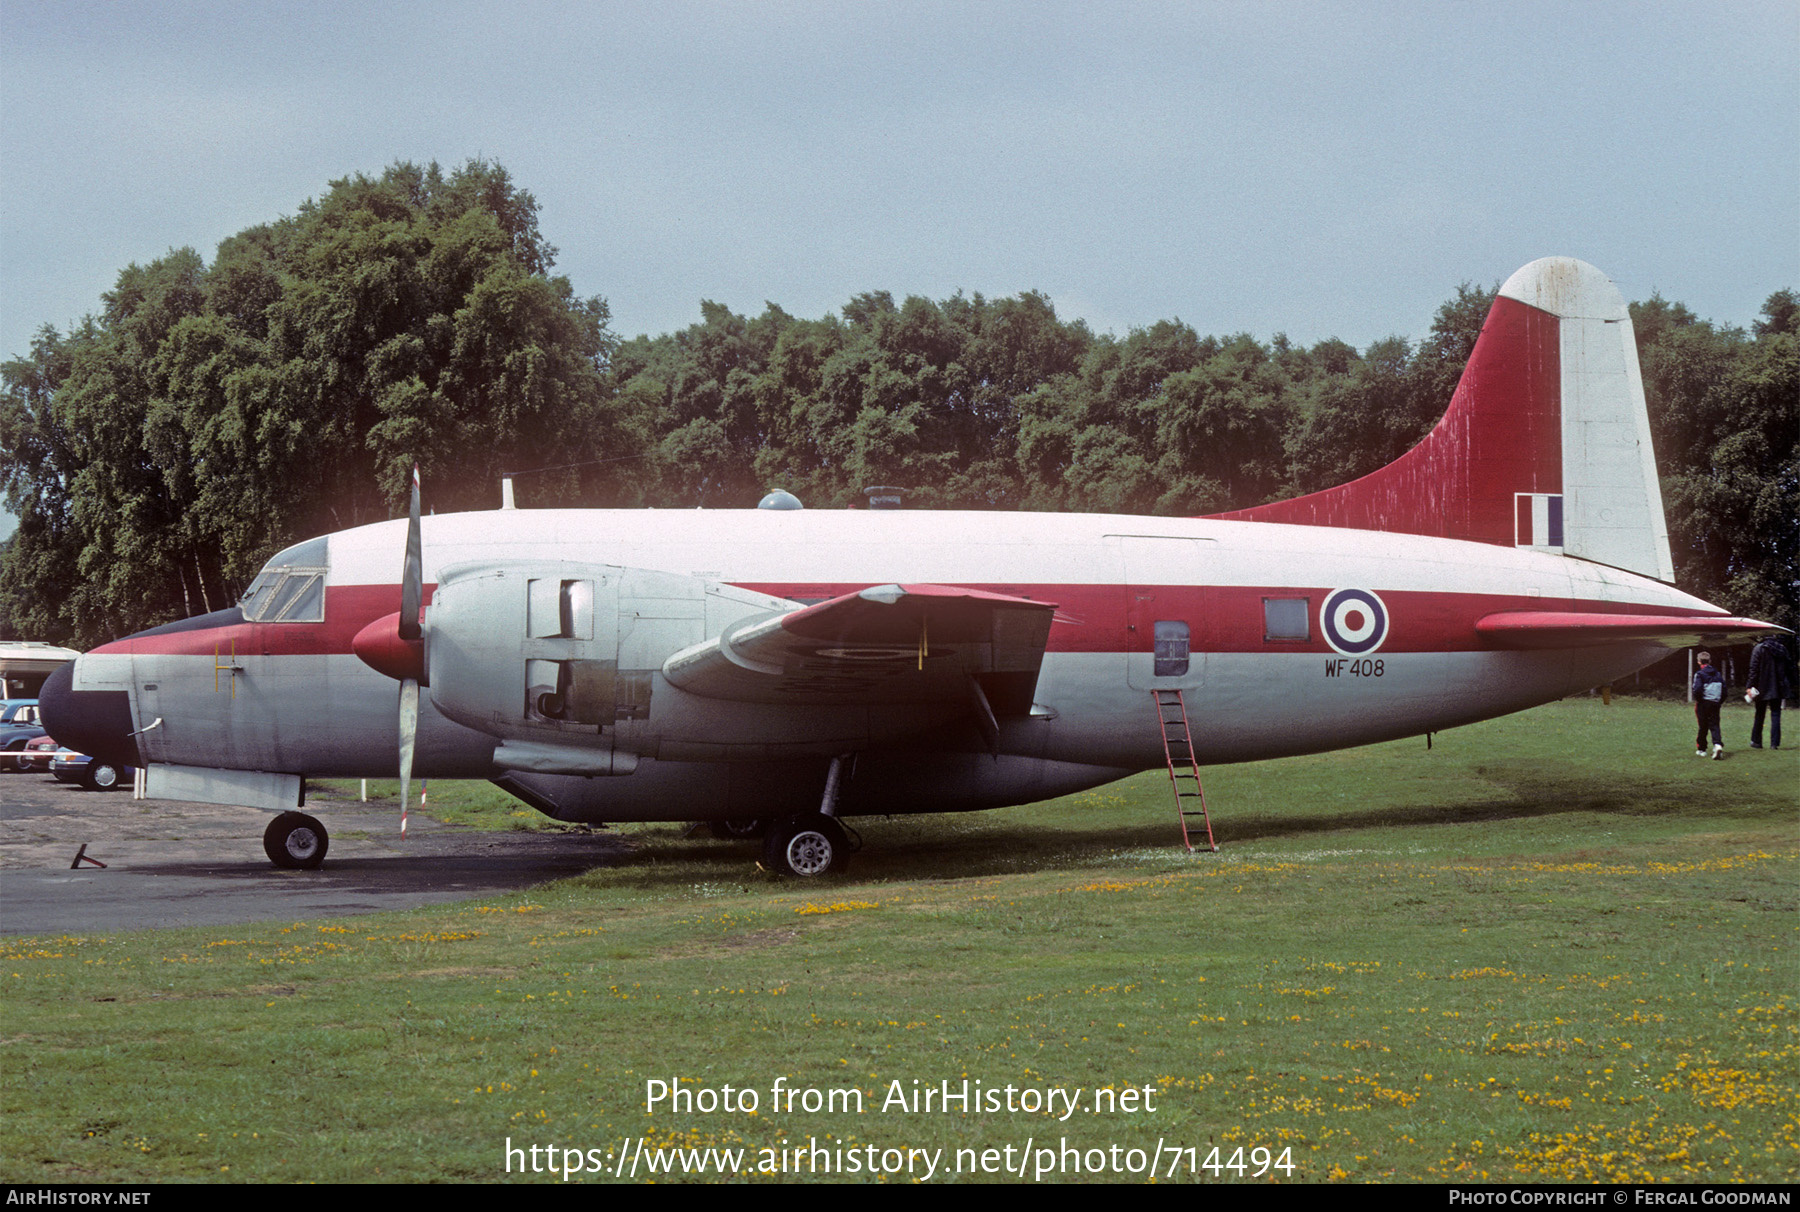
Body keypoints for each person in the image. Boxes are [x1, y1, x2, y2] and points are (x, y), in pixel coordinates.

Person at [1746, 634, 1795, 750]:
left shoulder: (1758, 648)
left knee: (1759, 714)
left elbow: (1754, 670)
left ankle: (1757, 741)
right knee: (1776, 714)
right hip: (1778, 686)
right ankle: (1774, 743)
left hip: (1761, 686)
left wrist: (1750, 686)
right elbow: (1789, 667)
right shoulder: (1782, 649)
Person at [1692, 650, 1726, 759]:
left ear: (1698, 662)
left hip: (1703, 703)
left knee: (1703, 726)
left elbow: (1697, 689)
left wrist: (1699, 700)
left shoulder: (1699, 674)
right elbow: (1724, 690)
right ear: (1710, 661)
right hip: (1715, 702)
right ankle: (1717, 744)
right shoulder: (1718, 674)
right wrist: (1719, 701)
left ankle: (1702, 749)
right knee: (1715, 725)